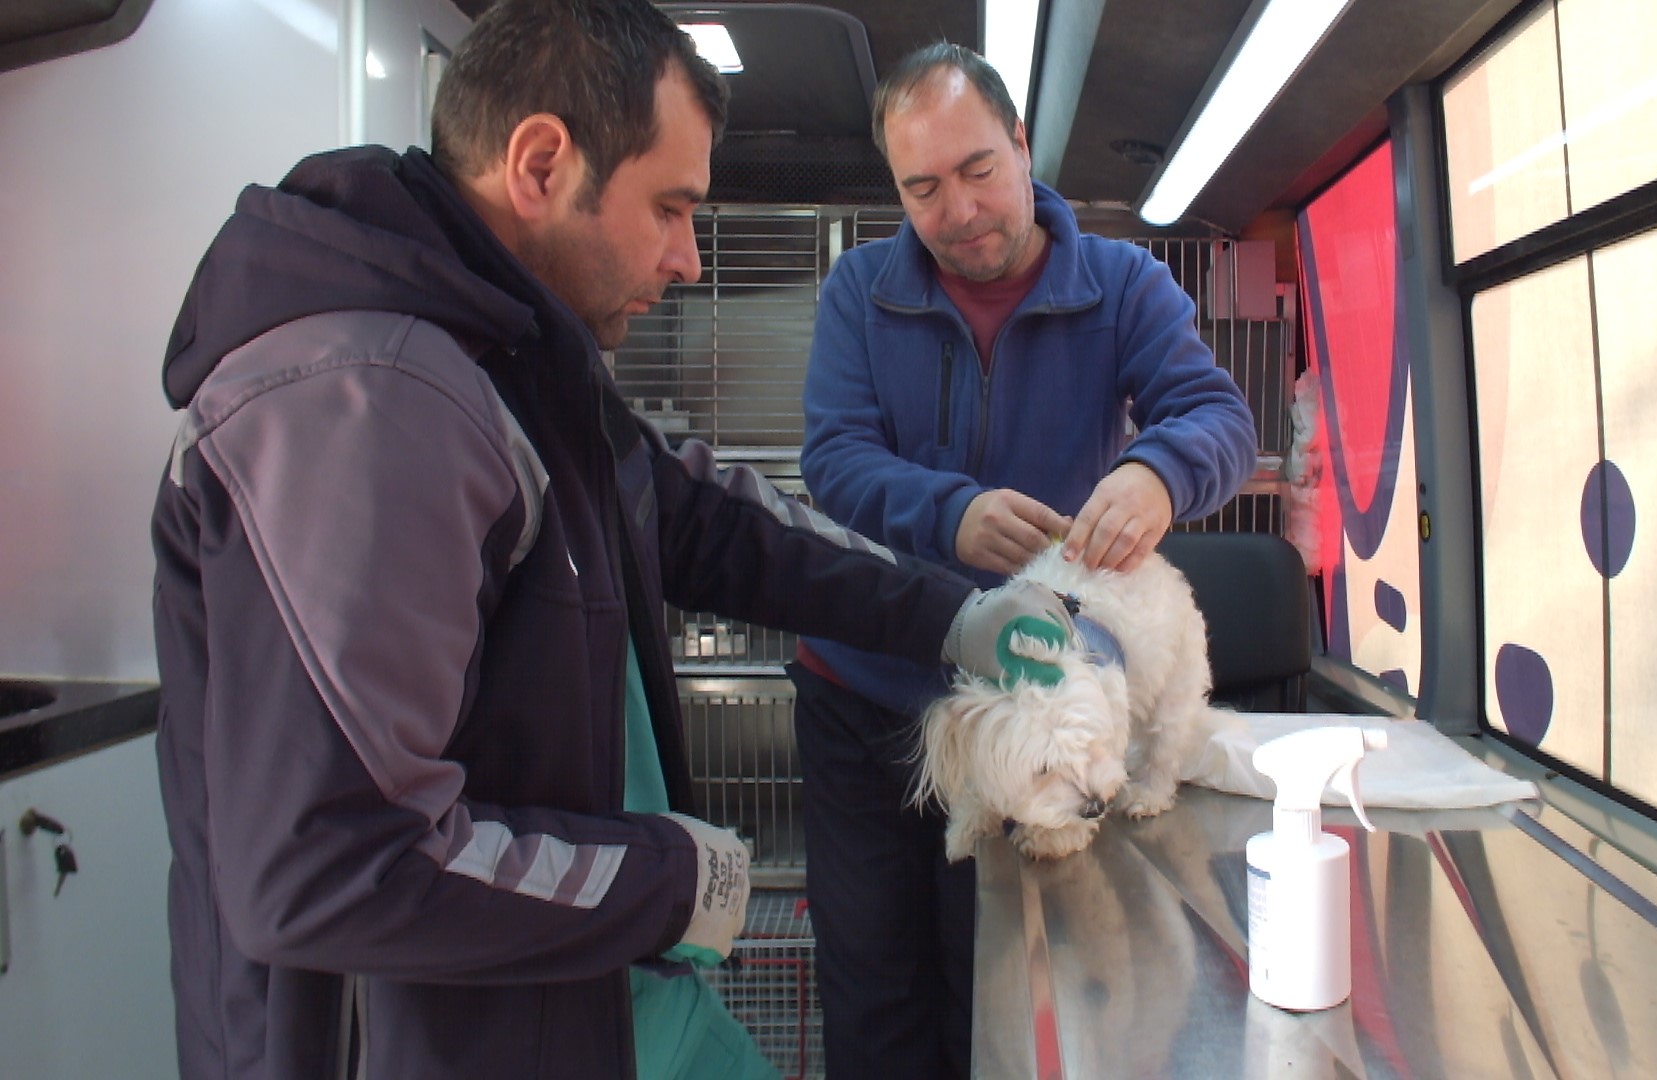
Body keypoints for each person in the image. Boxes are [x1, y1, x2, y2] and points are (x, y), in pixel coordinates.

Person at [148, 5, 1073, 1079]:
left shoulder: (509, 359)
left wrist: (955, 615)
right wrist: (669, 884)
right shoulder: (368, 401)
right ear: (541, 163)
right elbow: (335, 862)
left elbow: (709, 518)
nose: (688, 257)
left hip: (579, 1007)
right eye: (671, 207)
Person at [791, 42, 1260, 1079]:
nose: (957, 211)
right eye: (921, 189)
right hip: (865, 687)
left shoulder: (1123, 286)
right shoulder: (860, 291)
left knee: (1000, 969)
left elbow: (1219, 416)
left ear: (1019, 145)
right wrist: (947, 513)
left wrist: (1158, 475)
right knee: (870, 982)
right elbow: (832, 457)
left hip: (1033, 702)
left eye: (977, 172)